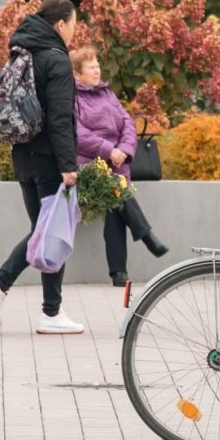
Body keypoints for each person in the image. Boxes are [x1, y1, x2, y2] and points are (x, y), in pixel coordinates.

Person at [0, 0, 84, 335]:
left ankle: (49, 311)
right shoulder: (56, 60)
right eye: (73, 24)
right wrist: (69, 164)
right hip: (51, 158)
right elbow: (61, 119)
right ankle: (7, 288)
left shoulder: (22, 52)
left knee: (44, 231)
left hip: (22, 155)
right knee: (51, 232)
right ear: (59, 25)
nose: (73, 31)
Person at [70, 46, 168, 285]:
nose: (96, 71)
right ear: (77, 74)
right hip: (91, 166)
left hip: (117, 164)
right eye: (90, 67)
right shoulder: (72, 98)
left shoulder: (107, 93)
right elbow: (77, 134)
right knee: (116, 191)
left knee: (115, 203)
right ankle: (145, 236)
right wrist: (108, 150)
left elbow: (128, 123)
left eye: (97, 66)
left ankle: (119, 273)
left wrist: (123, 151)